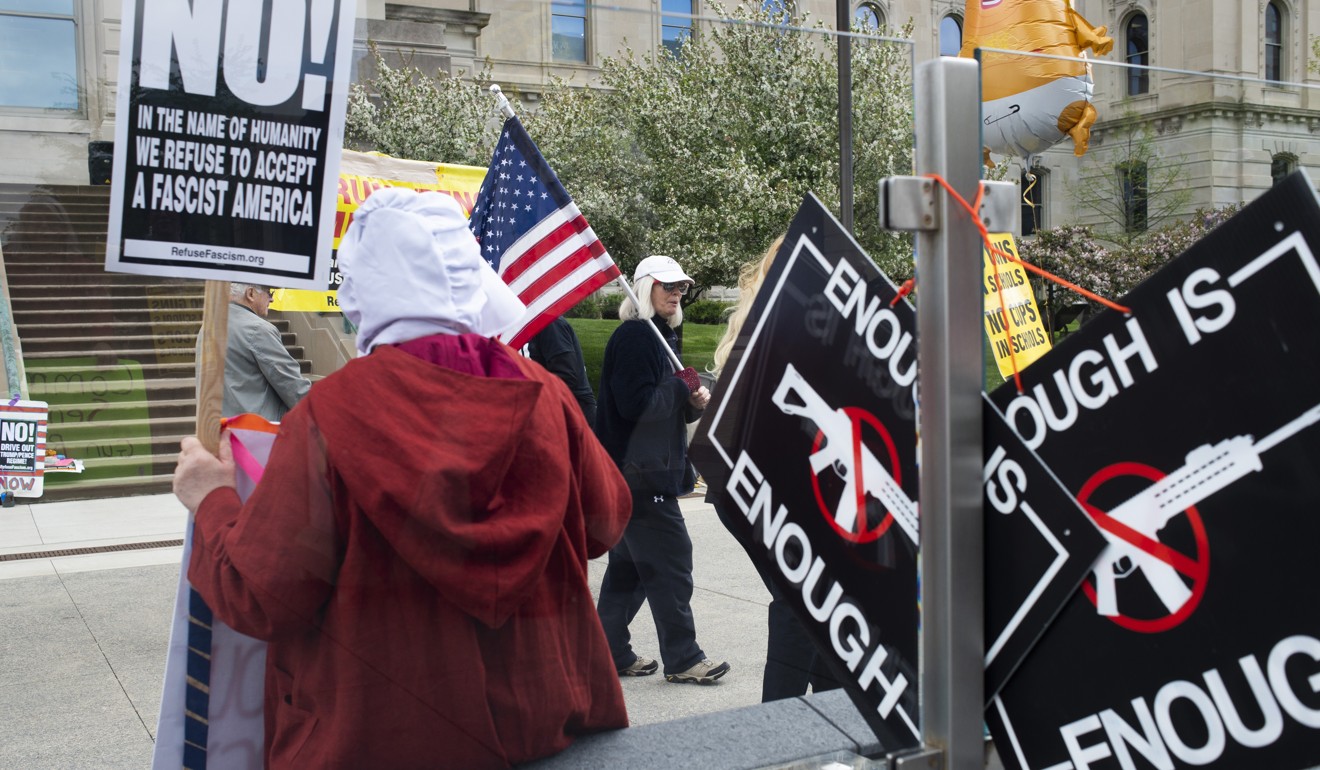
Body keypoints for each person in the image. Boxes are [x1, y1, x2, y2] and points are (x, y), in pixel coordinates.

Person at [172, 188, 632, 769]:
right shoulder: (545, 392)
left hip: (377, 739)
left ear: (362, 287)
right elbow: (605, 521)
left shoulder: (330, 414)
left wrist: (211, 498)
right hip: (542, 723)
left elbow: (261, 595)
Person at [709, 235, 841, 702]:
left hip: (758, 483)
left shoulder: (781, 320)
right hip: (759, 484)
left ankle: (833, 709)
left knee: (817, 598)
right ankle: (779, 720)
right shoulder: (784, 325)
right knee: (800, 598)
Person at [593, 255, 731, 685]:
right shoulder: (637, 336)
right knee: (671, 562)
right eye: (667, 285)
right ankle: (684, 657)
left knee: (630, 572)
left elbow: (663, 412)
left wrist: (690, 402)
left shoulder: (661, 336)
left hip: (639, 472)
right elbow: (638, 408)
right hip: (639, 476)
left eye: (681, 287)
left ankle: (606, 653)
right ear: (643, 288)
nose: (676, 293)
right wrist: (681, 385)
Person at [223, 282, 311, 421]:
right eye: (269, 292)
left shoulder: (208, 328)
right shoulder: (257, 329)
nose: (272, 299)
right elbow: (292, 386)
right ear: (251, 294)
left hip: (222, 430)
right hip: (258, 432)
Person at [527, 316, 597, 428]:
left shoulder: (550, 325)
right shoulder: (538, 326)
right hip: (563, 410)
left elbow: (567, 375)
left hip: (575, 411)